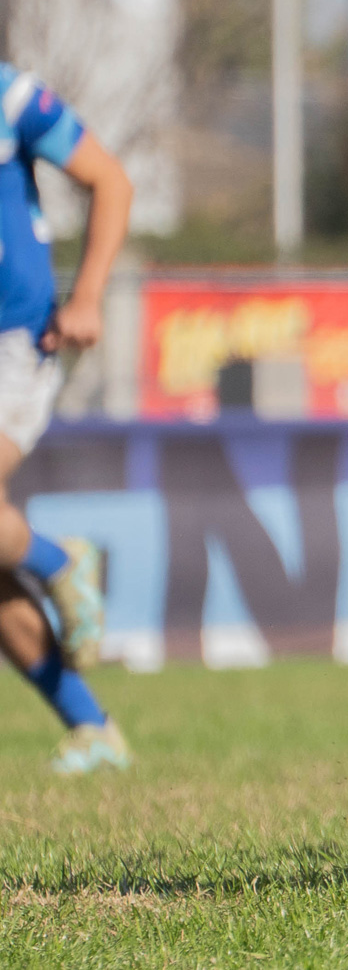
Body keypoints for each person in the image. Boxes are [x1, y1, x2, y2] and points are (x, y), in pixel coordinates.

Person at [0, 63, 133, 774]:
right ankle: (92, 727)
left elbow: (111, 179)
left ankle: (57, 556)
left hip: (14, 342)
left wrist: (86, 296)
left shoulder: (7, 94)